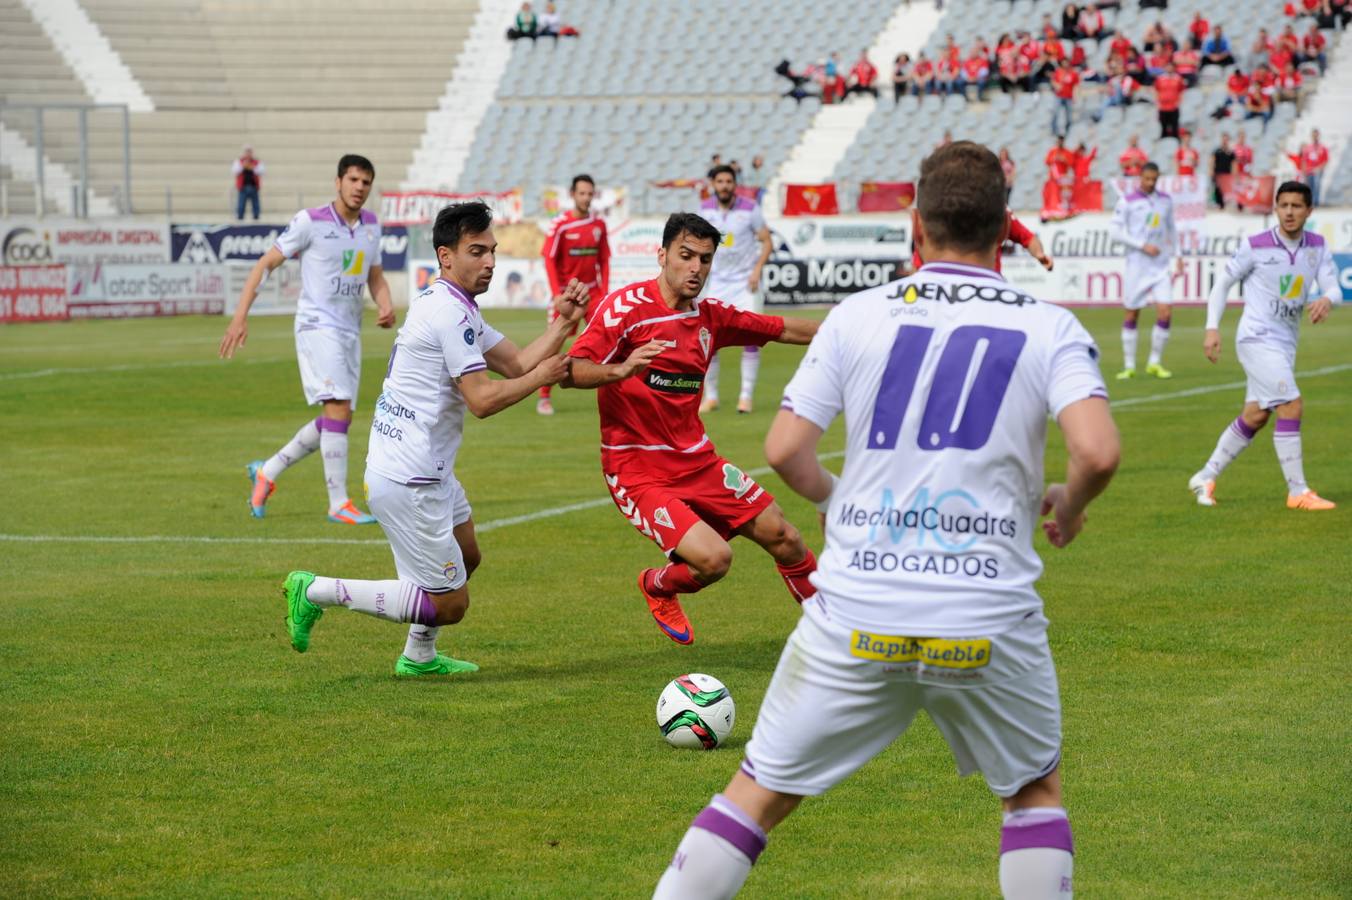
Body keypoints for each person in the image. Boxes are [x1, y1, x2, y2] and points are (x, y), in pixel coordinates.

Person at [652, 141, 1119, 900]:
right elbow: (1097, 452)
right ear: (1005, 229)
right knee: (1032, 797)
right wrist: (1069, 501)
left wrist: (844, 502)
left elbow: (785, 450)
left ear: (915, 223)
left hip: (859, 610)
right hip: (985, 613)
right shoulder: (1049, 324)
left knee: (756, 797)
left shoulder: (858, 315)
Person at [278, 202, 588, 674]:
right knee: (450, 604)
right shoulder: (448, 313)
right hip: (409, 477)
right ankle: (315, 589)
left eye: (493, 252)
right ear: (446, 256)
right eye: (477, 251)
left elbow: (517, 363)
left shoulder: (453, 304)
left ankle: (419, 656)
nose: (490, 262)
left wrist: (564, 323)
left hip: (425, 468)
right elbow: (483, 399)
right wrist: (543, 376)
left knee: (467, 555)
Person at [564, 213, 819, 646]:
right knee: (715, 560)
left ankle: (833, 633)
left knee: (786, 536)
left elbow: (783, 328)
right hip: (636, 468)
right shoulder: (625, 310)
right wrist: (622, 368)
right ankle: (658, 584)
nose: (696, 267)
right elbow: (570, 371)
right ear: (662, 255)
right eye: (686, 256)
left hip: (697, 460)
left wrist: (857, 330)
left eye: (705, 258)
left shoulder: (711, 317)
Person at [221, 154, 395, 524]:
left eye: (366, 182)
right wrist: (240, 317)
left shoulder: (371, 225)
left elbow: (375, 276)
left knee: (339, 416)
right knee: (337, 407)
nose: (359, 188)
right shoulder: (309, 222)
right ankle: (338, 503)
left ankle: (268, 471)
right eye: (353, 180)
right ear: (338, 182)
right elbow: (265, 264)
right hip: (317, 326)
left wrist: (385, 304)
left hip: (350, 330)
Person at [1188, 182, 1338, 511]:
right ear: (1275, 208)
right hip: (1256, 338)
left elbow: (1334, 286)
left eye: (1296, 206)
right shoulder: (1255, 246)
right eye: (1283, 205)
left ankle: (1206, 475)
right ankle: (1297, 492)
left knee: (1255, 416)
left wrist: (1328, 298)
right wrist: (1211, 328)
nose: (1289, 212)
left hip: (1285, 344)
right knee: (1291, 405)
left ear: (1309, 211)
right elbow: (1222, 283)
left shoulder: (1317, 245)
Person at [694, 165, 774, 415]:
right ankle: (712, 397)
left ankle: (746, 396)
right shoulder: (705, 209)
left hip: (745, 284)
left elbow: (767, 241)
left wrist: (757, 271)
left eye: (729, 181)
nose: (725, 185)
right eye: (720, 181)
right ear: (713, 184)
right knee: (710, 341)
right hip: (718, 283)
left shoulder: (750, 208)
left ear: (735, 184)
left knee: (751, 339)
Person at [537, 174, 610, 415]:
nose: (586, 198)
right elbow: (548, 258)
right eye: (582, 193)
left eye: (590, 194)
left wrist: (605, 290)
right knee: (553, 346)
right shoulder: (560, 224)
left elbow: (604, 259)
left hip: (593, 294)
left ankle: (618, 395)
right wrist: (557, 293)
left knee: (611, 340)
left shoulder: (599, 225)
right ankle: (544, 397)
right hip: (567, 295)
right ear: (572, 195)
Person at [1110, 162, 1181, 380]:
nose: (1150, 183)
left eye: (1154, 179)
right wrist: (1141, 245)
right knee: (1132, 312)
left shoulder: (1165, 201)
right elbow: (1115, 232)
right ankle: (1129, 365)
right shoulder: (1127, 201)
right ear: (1140, 178)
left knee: (1166, 311)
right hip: (1138, 264)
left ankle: (1154, 362)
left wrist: (1178, 255)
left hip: (1160, 265)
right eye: (1147, 178)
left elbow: (1172, 229)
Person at [1153, 61, 1185, 139]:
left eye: (1171, 67)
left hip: (1173, 106)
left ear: (1174, 68)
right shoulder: (1160, 78)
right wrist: (1157, 101)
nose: (1169, 68)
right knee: (1163, 126)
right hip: (1163, 106)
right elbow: (1156, 90)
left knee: (1174, 125)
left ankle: (1175, 140)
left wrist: (1179, 102)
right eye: (1168, 67)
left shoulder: (1178, 78)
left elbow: (1181, 91)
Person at [1050, 58, 1080, 136]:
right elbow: (1053, 80)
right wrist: (1056, 85)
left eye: (1066, 62)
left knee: (1069, 115)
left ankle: (1068, 130)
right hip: (1059, 96)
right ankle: (1054, 130)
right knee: (1055, 113)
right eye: (1063, 63)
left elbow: (1076, 85)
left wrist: (1075, 96)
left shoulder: (1073, 73)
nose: (1065, 64)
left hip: (1068, 96)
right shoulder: (1058, 72)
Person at [232, 146, 264, 221]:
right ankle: (240, 217)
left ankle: (256, 217)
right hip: (243, 187)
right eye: (247, 152)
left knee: (255, 204)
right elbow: (234, 171)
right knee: (241, 204)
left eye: (249, 152)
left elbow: (262, 171)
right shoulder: (239, 161)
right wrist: (243, 166)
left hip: (253, 186)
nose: (248, 154)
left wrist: (252, 167)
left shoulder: (256, 162)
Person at [1299, 129, 1329, 204]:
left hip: (1318, 171)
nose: (1315, 136)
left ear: (1318, 136)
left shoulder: (1322, 147)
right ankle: (1310, 202)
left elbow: (1326, 160)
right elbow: (1304, 160)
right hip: (1309, 171)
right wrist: (1303, 171)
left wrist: (1319, 168)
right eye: (1313, 135)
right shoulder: (1308, 148)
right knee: (1309, 186)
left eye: (1316, 135)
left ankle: (1316, 202)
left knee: (1317, 185)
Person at [1210, 132, 1235, 207]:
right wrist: (1211, 171)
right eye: (1224, 139)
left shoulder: (1230, 152)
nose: (1225, 141)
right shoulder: (1217, 151)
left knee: (1226, 190)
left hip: (1227, 174)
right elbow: (1212, 161)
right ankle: (1218, 204)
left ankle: (1224, 205)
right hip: (1218, 173)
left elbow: (1234, 164)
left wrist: (1234, 174)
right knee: (1218, 189)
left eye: (1226, 139)